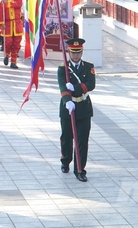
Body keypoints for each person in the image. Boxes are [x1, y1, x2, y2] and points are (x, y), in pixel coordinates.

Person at [57, 38, 95, 183]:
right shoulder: (63, 69)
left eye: (78, 53)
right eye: (73, 53)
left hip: (84, 107)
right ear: (69, 52)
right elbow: (62, 86)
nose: (76, 56)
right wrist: (67, 101)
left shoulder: (88, 66)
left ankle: (80, 170)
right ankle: (65, 161)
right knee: (67, 138)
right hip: (69, 108)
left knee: (82, 141)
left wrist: (77, 88)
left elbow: (91, 84)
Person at [0, 0, 23, 69]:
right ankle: (7, 55)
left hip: (17, 23)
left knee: (16, 44)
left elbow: (18, 5)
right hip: (8, 24)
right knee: (8, 42)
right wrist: (1, 23)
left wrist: (7, 3)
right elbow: (0, 13)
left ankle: (13, 61)